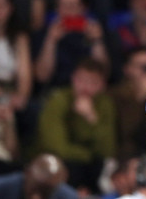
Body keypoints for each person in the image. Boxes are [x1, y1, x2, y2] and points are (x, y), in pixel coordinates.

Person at [36, 58, 116, 194]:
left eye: (92, 82)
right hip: (64, 163)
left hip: (92, 167)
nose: (85, 87)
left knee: (104, 169)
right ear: (72, 78)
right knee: (72, 167)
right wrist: (88, 155)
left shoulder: (105, 104)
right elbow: (56, 147)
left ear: (102, 85)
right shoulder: (58, 100)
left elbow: (108, 150)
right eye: (81, 80)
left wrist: (92, 118)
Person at [0, 153, 78, 199]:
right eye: (34, 188)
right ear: (27, 172)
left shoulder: (68, 196)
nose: (36, 197)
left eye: (45, 191)